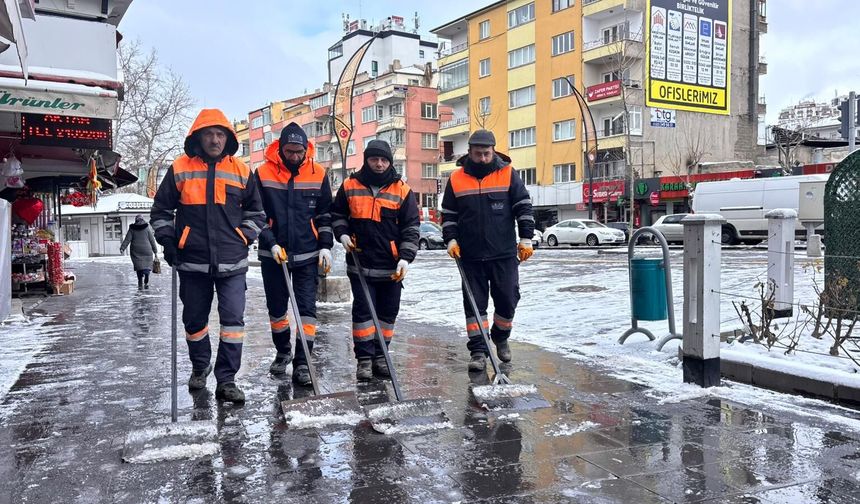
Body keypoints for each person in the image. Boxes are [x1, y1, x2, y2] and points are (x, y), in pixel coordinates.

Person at [150, 108, 265, 403]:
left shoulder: (241, 170)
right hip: (192, 262)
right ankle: (201, 366)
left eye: (220, 134)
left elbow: (256, 213)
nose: (215, 139)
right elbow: (161, 212)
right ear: (198, 137)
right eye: (209, 134)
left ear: (227, 138)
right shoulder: (180, 168)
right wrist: (168, 241)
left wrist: (244, 236)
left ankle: (227, 379)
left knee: (232, 323)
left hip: (232, 261)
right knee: (194, 322)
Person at [440, 129, 535, 372]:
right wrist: (450, 240)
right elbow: (449, 215)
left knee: (508, 299)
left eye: (486, 153)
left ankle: (501, 336)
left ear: (494, 152)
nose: (482, 158)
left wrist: (526, 238)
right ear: (469, 152)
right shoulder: (457, 179)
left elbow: (523, 207)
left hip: (503, 253)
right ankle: (479, 352)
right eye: (478, 154)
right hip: (470, 256)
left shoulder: (507, 174)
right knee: (474, 306)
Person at [331, 139, 419, 381]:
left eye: (384, 160)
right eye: (374, 159)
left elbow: (411, 227)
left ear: (389, 161)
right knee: (363, 313)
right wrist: (343, 234)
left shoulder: (402, 190)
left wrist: (405, 258)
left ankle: (382, 355)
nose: (379, 164)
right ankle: (364, 360)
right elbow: (338, 214)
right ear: (366, 160)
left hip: (391, 267)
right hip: (360, 263)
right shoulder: (349, 186)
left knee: (387, 314)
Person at [255, 122, 333, 386]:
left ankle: (303, 362)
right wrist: (270, 241)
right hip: (273, 256)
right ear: (280, 149)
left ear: (306, 149)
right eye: (290, 151)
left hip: (307, 256)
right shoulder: (263, 173)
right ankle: (283, 352)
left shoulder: (318, 173)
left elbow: (324, 214)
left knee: (307, 312)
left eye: (299, 152)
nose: (295, 156)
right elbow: (256, 215)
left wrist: (325, 244)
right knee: (277, 311)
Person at [119, 215, 158, 290]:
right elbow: (152, 240)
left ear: (136, 220)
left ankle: (140, 280)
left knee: (139, 266)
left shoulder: (132, 229)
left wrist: (122, 248)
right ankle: (146, 275)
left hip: (136, 251)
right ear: (143, 220)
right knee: (147, 265)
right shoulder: (147, 228)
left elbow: (127, 239)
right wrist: (155, 251)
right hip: (147, 250)